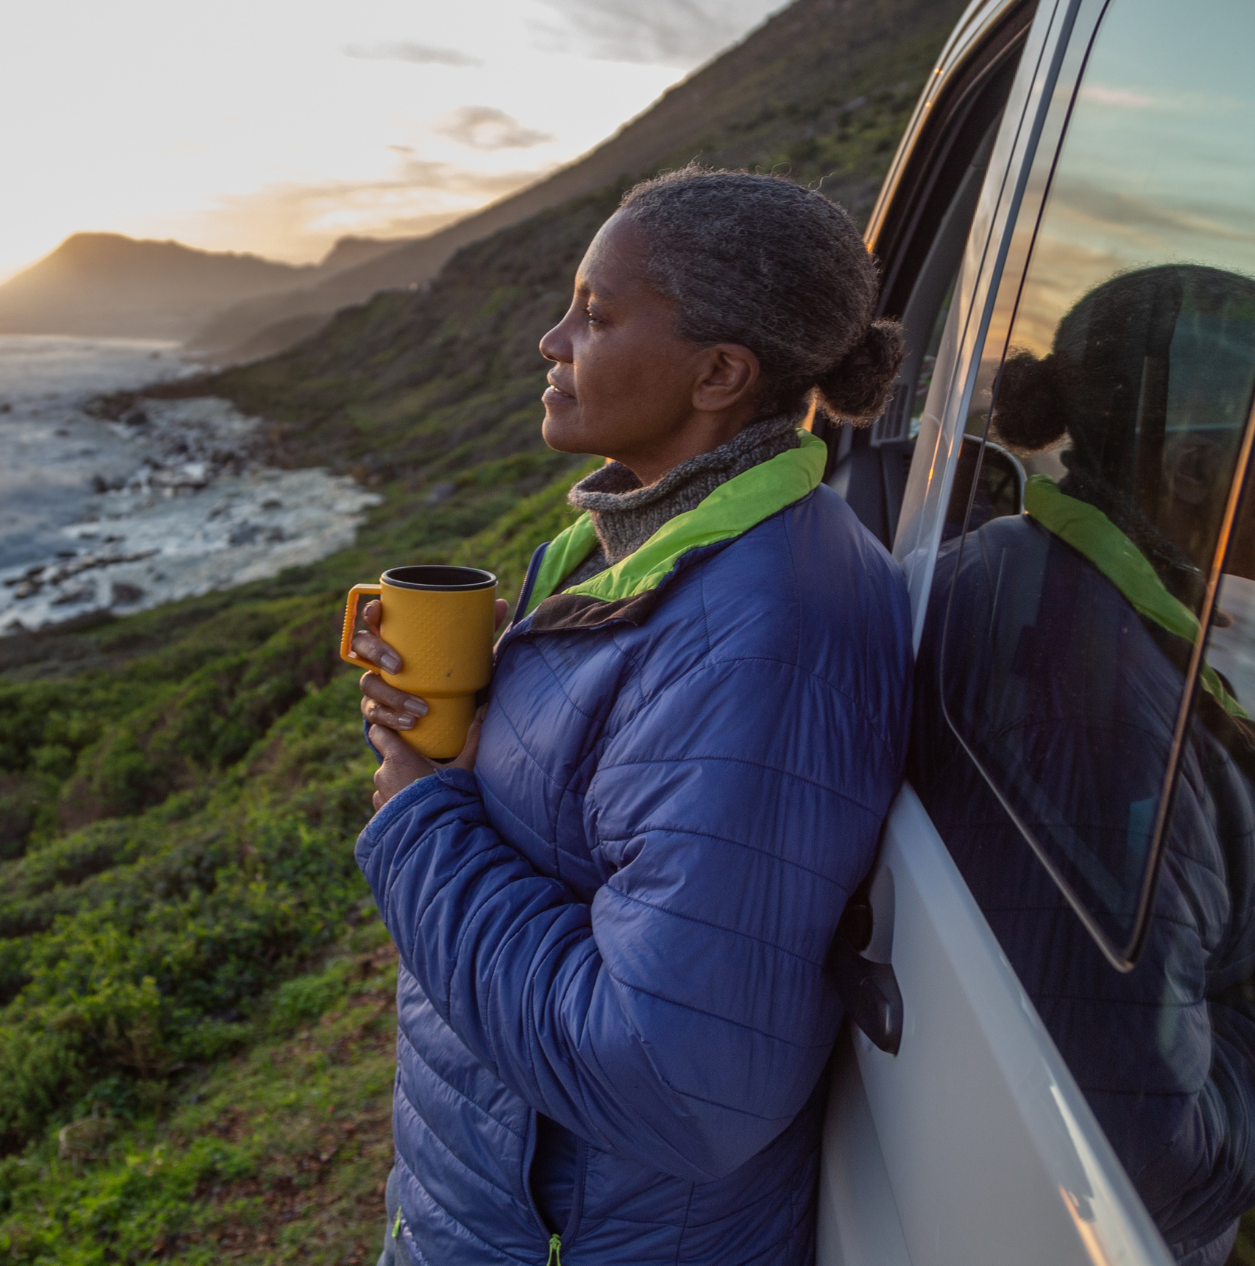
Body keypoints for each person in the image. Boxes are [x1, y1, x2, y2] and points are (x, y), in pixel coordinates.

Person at [346, 167, 912, 1265]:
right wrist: (492, 714)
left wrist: (419, 817)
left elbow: (671, 1080)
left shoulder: (767, 635)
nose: (552, 342)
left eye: (596, 317)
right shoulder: (632, 552)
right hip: (499, 1208)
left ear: (719, 373)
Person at [910, 264, 1255, 1266]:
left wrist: (1241, 832)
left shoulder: (1024, 570)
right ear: (1192, 471)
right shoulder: (1097, 702)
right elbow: (1144, 1168)